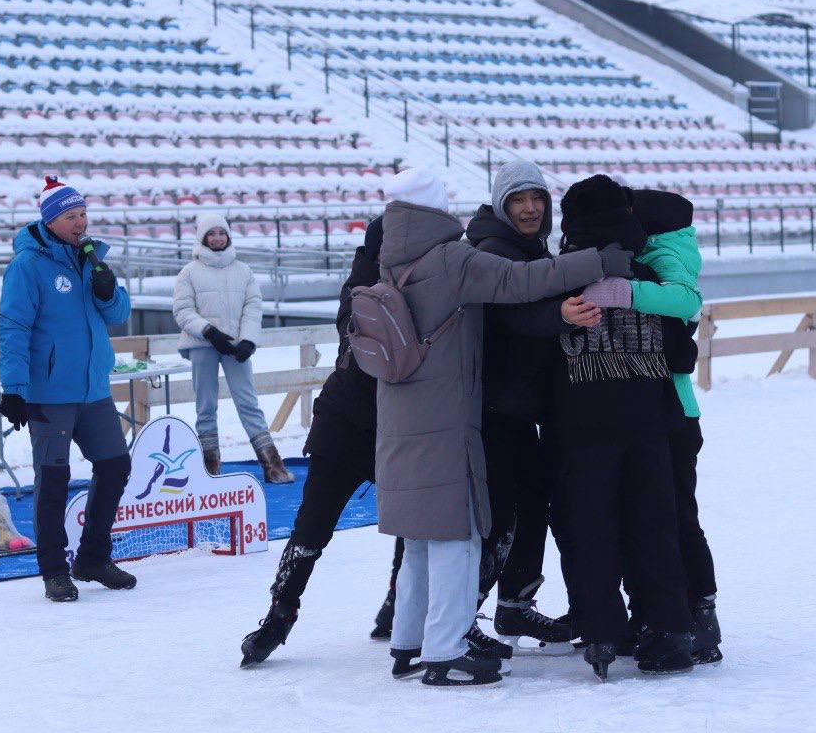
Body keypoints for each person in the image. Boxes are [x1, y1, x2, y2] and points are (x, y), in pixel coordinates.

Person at [375, 167, 628, 687]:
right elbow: (519, 282)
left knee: (421, 534)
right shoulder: (449, 257)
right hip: (449, 413)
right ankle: (446, 649)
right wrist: (597, 261)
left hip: (406, 411)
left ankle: (409, 639)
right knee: (457, 531)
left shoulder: (394, 255)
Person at [238, 217, 405, 667]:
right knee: (313, 525)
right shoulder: (363, 286)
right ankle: (280, 612)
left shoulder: (425, 277)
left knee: (414, 524)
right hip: (347, 423)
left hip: (402, 426)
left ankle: (397, 604)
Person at [550, 174, 694, 680]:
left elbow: (538, 348)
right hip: (650, 417)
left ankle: (605, 630)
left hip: (583, 421)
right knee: (654, 524)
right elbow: (684, 340)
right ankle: (669, 630)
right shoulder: (648, 276)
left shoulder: (561, 279)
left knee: (591, 527)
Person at [464, 160, 601, 654]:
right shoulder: (492, 248)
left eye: (537, 199)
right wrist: (559, 316)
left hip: (521, 403)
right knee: (501, 513)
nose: (529, 208)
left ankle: (515, 605)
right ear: (502, 205)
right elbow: (507, 315)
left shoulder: (528, 246)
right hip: (495, 404)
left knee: (532, 504)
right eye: (519, 200)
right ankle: (460, 618)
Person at [0, 176, 136, 602]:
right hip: (49, 393)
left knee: (115, 466)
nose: (80, 224)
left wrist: (109, 290)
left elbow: (118, 314)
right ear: (51, 221)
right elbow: (13, 326)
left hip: (93, 389)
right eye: (70, 217)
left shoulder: (90, 259)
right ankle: (54, 570)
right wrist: (15, 387)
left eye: (83, 215)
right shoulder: (28, 266)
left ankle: (93, 556)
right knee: (53, 479)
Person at [619, 186, 721, 664]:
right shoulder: (656, 250)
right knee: (657, 517)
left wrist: (626, 291)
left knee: (679, 516)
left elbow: (685, 301)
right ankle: (662, 612)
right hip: (654, 409)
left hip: (675, 411)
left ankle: (702, 613)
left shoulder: (669, 254)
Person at [173, 213, 294, 484]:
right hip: (203, 346)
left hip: (237, 347)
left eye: (222, 233)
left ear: (228, 236)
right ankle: (209, 467)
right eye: (211, 234)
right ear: (202, 238)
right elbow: (182, 310)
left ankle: (272, 465)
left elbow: (253, 306)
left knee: (248, 402)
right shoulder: (189, 272)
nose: (217, 238)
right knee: (206, 406)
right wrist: (209, 332)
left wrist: (248, 339)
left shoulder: (243, 270)